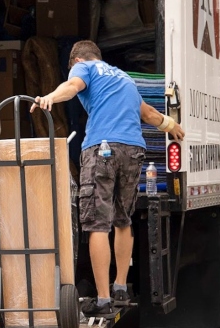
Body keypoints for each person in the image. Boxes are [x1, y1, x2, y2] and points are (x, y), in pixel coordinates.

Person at [30, 40, 185, 316]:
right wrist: (171, 125)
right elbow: (148, 114)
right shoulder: (124, 78)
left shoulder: (84, 68)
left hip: (102, 149)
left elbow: (71, 87)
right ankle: (121, 288)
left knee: (97, 224)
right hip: (133, 150)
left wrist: (50, 97)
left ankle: (102, 300)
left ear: (77, 60)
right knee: (123, 219)